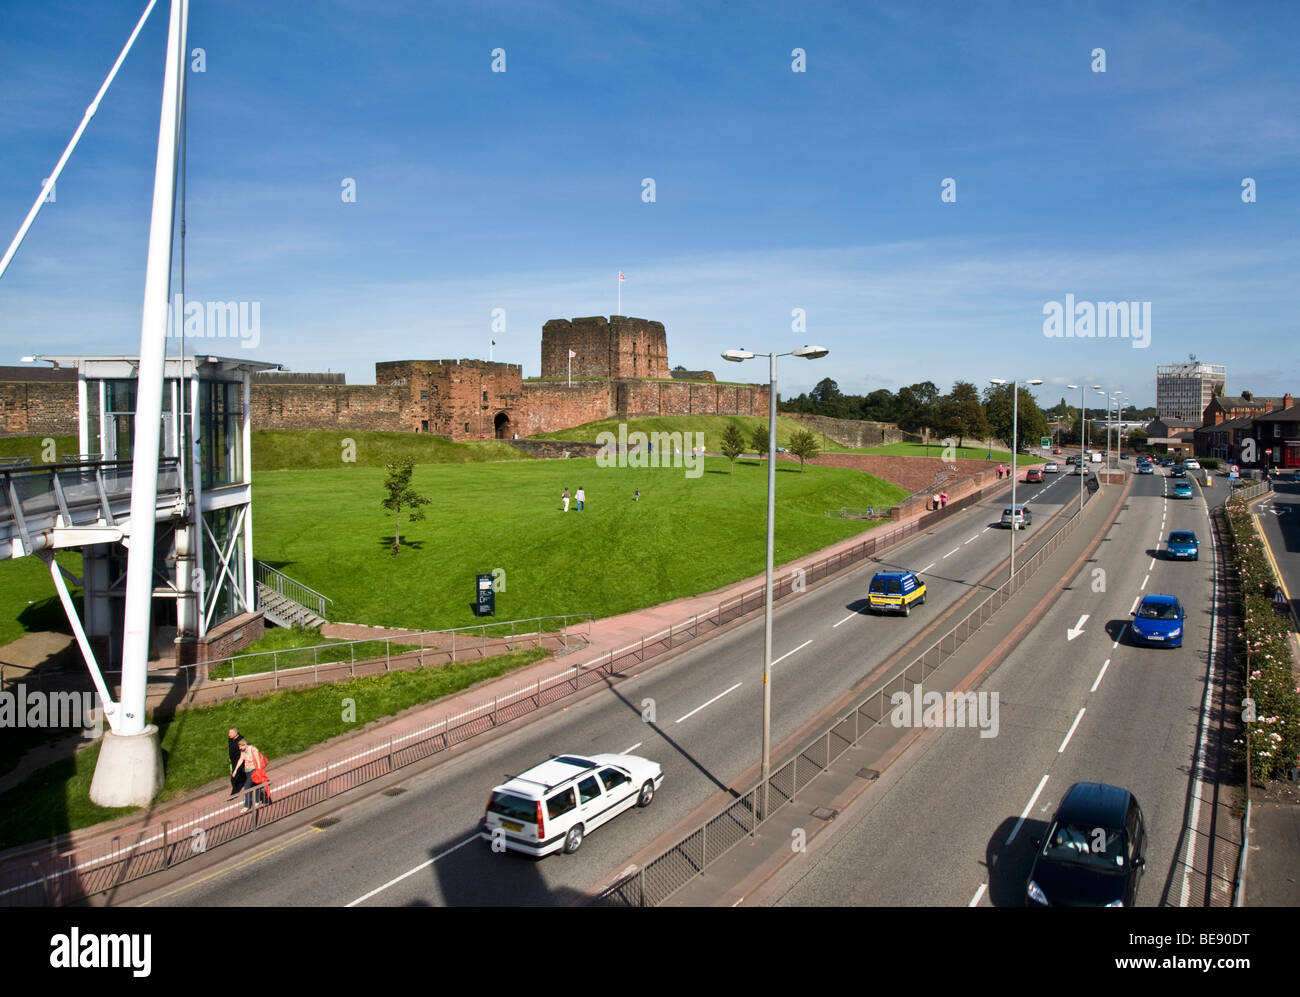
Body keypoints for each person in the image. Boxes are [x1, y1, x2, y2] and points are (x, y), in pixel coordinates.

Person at [236, 738, 270, 810]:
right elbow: (241, 759)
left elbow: (257, 760)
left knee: (246, 787)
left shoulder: (253, 750)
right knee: (255, 785)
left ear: (245, 745)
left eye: (241, 746)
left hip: (253, 770)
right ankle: (259, 800)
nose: (239, 748)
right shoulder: (243, 751)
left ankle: (247, 806)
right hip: (247, 771)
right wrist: (235, 770)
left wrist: (259, 770)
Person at [228, 727, 244, 797]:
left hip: (240, 760)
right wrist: (230, 757)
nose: (229, 734)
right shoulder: (230, 739)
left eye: (230, 733)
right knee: (243, 774)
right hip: (233, 760)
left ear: (236, 733)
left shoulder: (241, 740)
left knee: (233, 778)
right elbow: (230, 749)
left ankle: (234, 793)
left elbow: (246, 749)